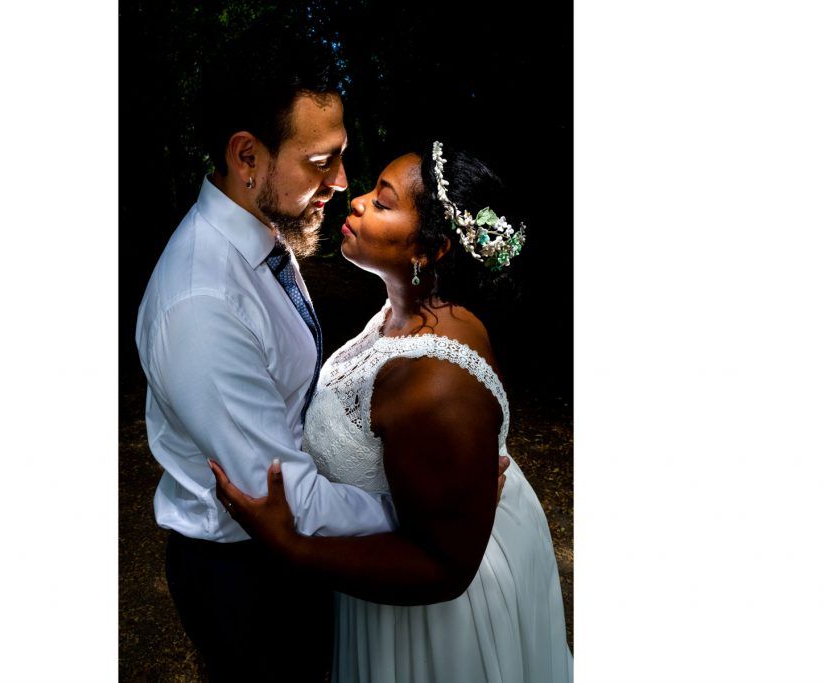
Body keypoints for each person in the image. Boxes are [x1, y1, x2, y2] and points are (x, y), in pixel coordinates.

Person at [134, 36, 508, 681]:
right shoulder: (202, 301)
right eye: (319, 162)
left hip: (300, 559)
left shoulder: (263, 236)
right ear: (247, 156)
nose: (340, 183)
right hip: (247, 578)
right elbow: (283, 499)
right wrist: (429, 515)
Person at [210, 141, 574, 683]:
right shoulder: (402, 313)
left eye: (382, 203)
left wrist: (290, 544)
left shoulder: (435, 381)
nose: (354, 201)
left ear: (432, 248)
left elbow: (444, 568)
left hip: (439, 617)